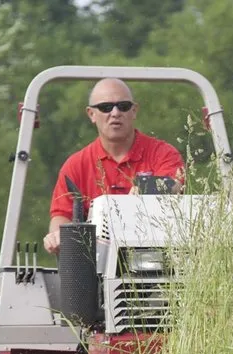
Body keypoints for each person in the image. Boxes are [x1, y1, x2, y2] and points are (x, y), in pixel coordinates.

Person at [43, 78, 185, 255]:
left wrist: (147, 188)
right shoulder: (76, 165)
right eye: (106, 107)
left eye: (123, 106)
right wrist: (57, 236)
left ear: (134, 111)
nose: (116, 113)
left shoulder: (163, 153)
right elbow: (61, 215)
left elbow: (175, 185)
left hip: (156, 258)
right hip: (94, 264)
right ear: (91, 114)